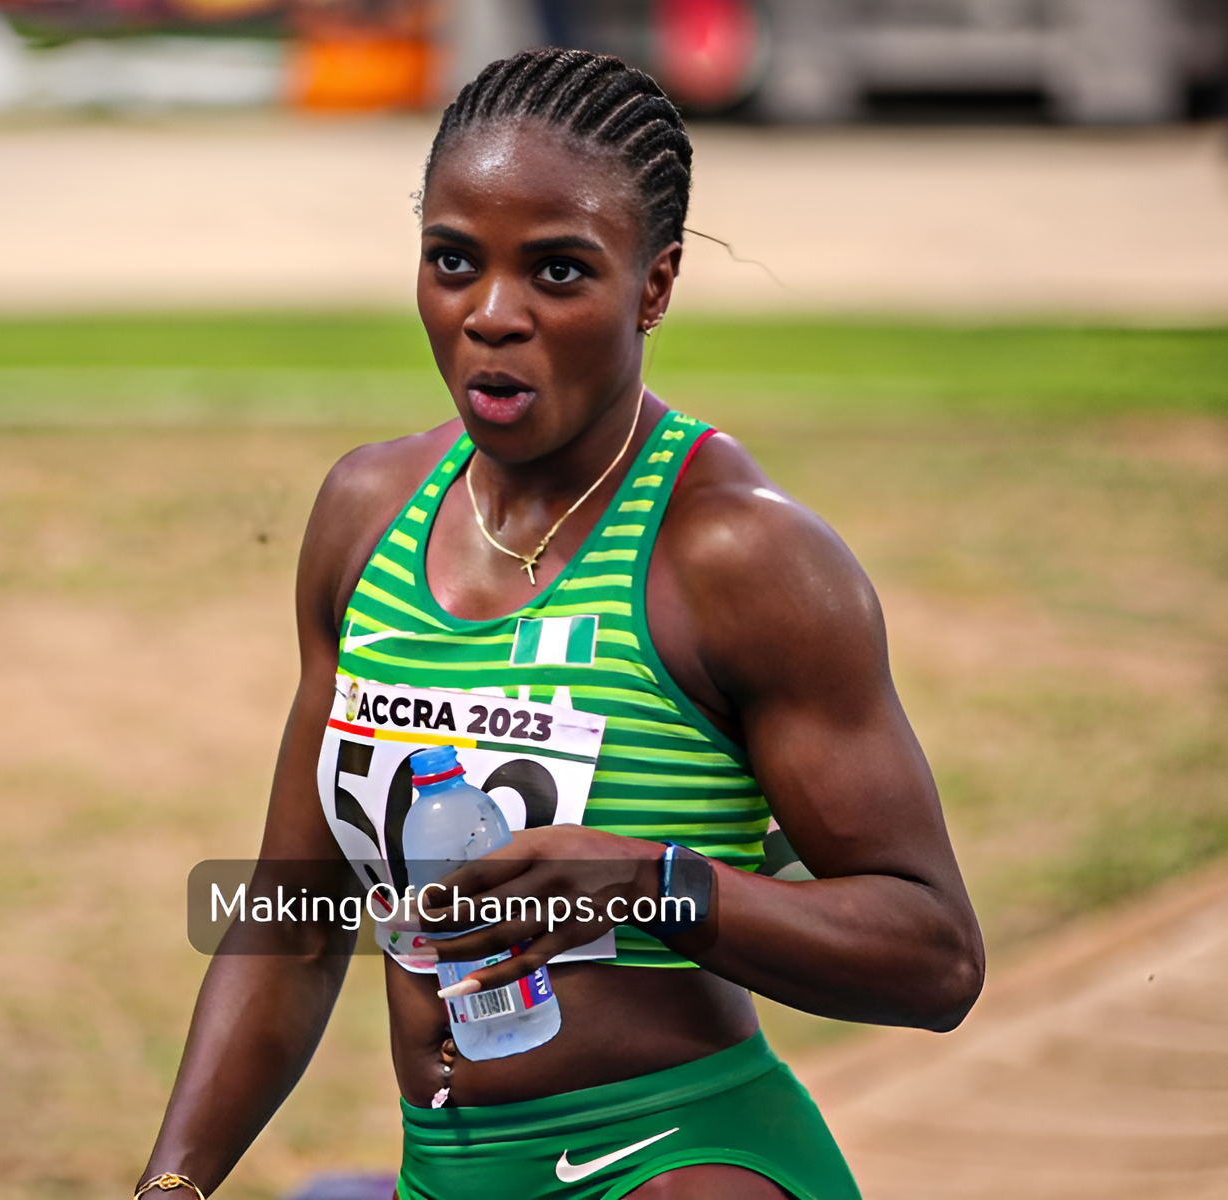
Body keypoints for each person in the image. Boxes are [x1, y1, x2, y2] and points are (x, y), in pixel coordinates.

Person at [137, 48, 984, 1200]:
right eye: (452, 262)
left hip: (678, 1163)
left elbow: (934, 958)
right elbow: (295, 915)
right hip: (445, 1170)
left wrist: (649, 879)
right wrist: (172, 1184)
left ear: (655, 285)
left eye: (559, 272)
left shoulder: (739, 557)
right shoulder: (366, 515)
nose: (492, 315)